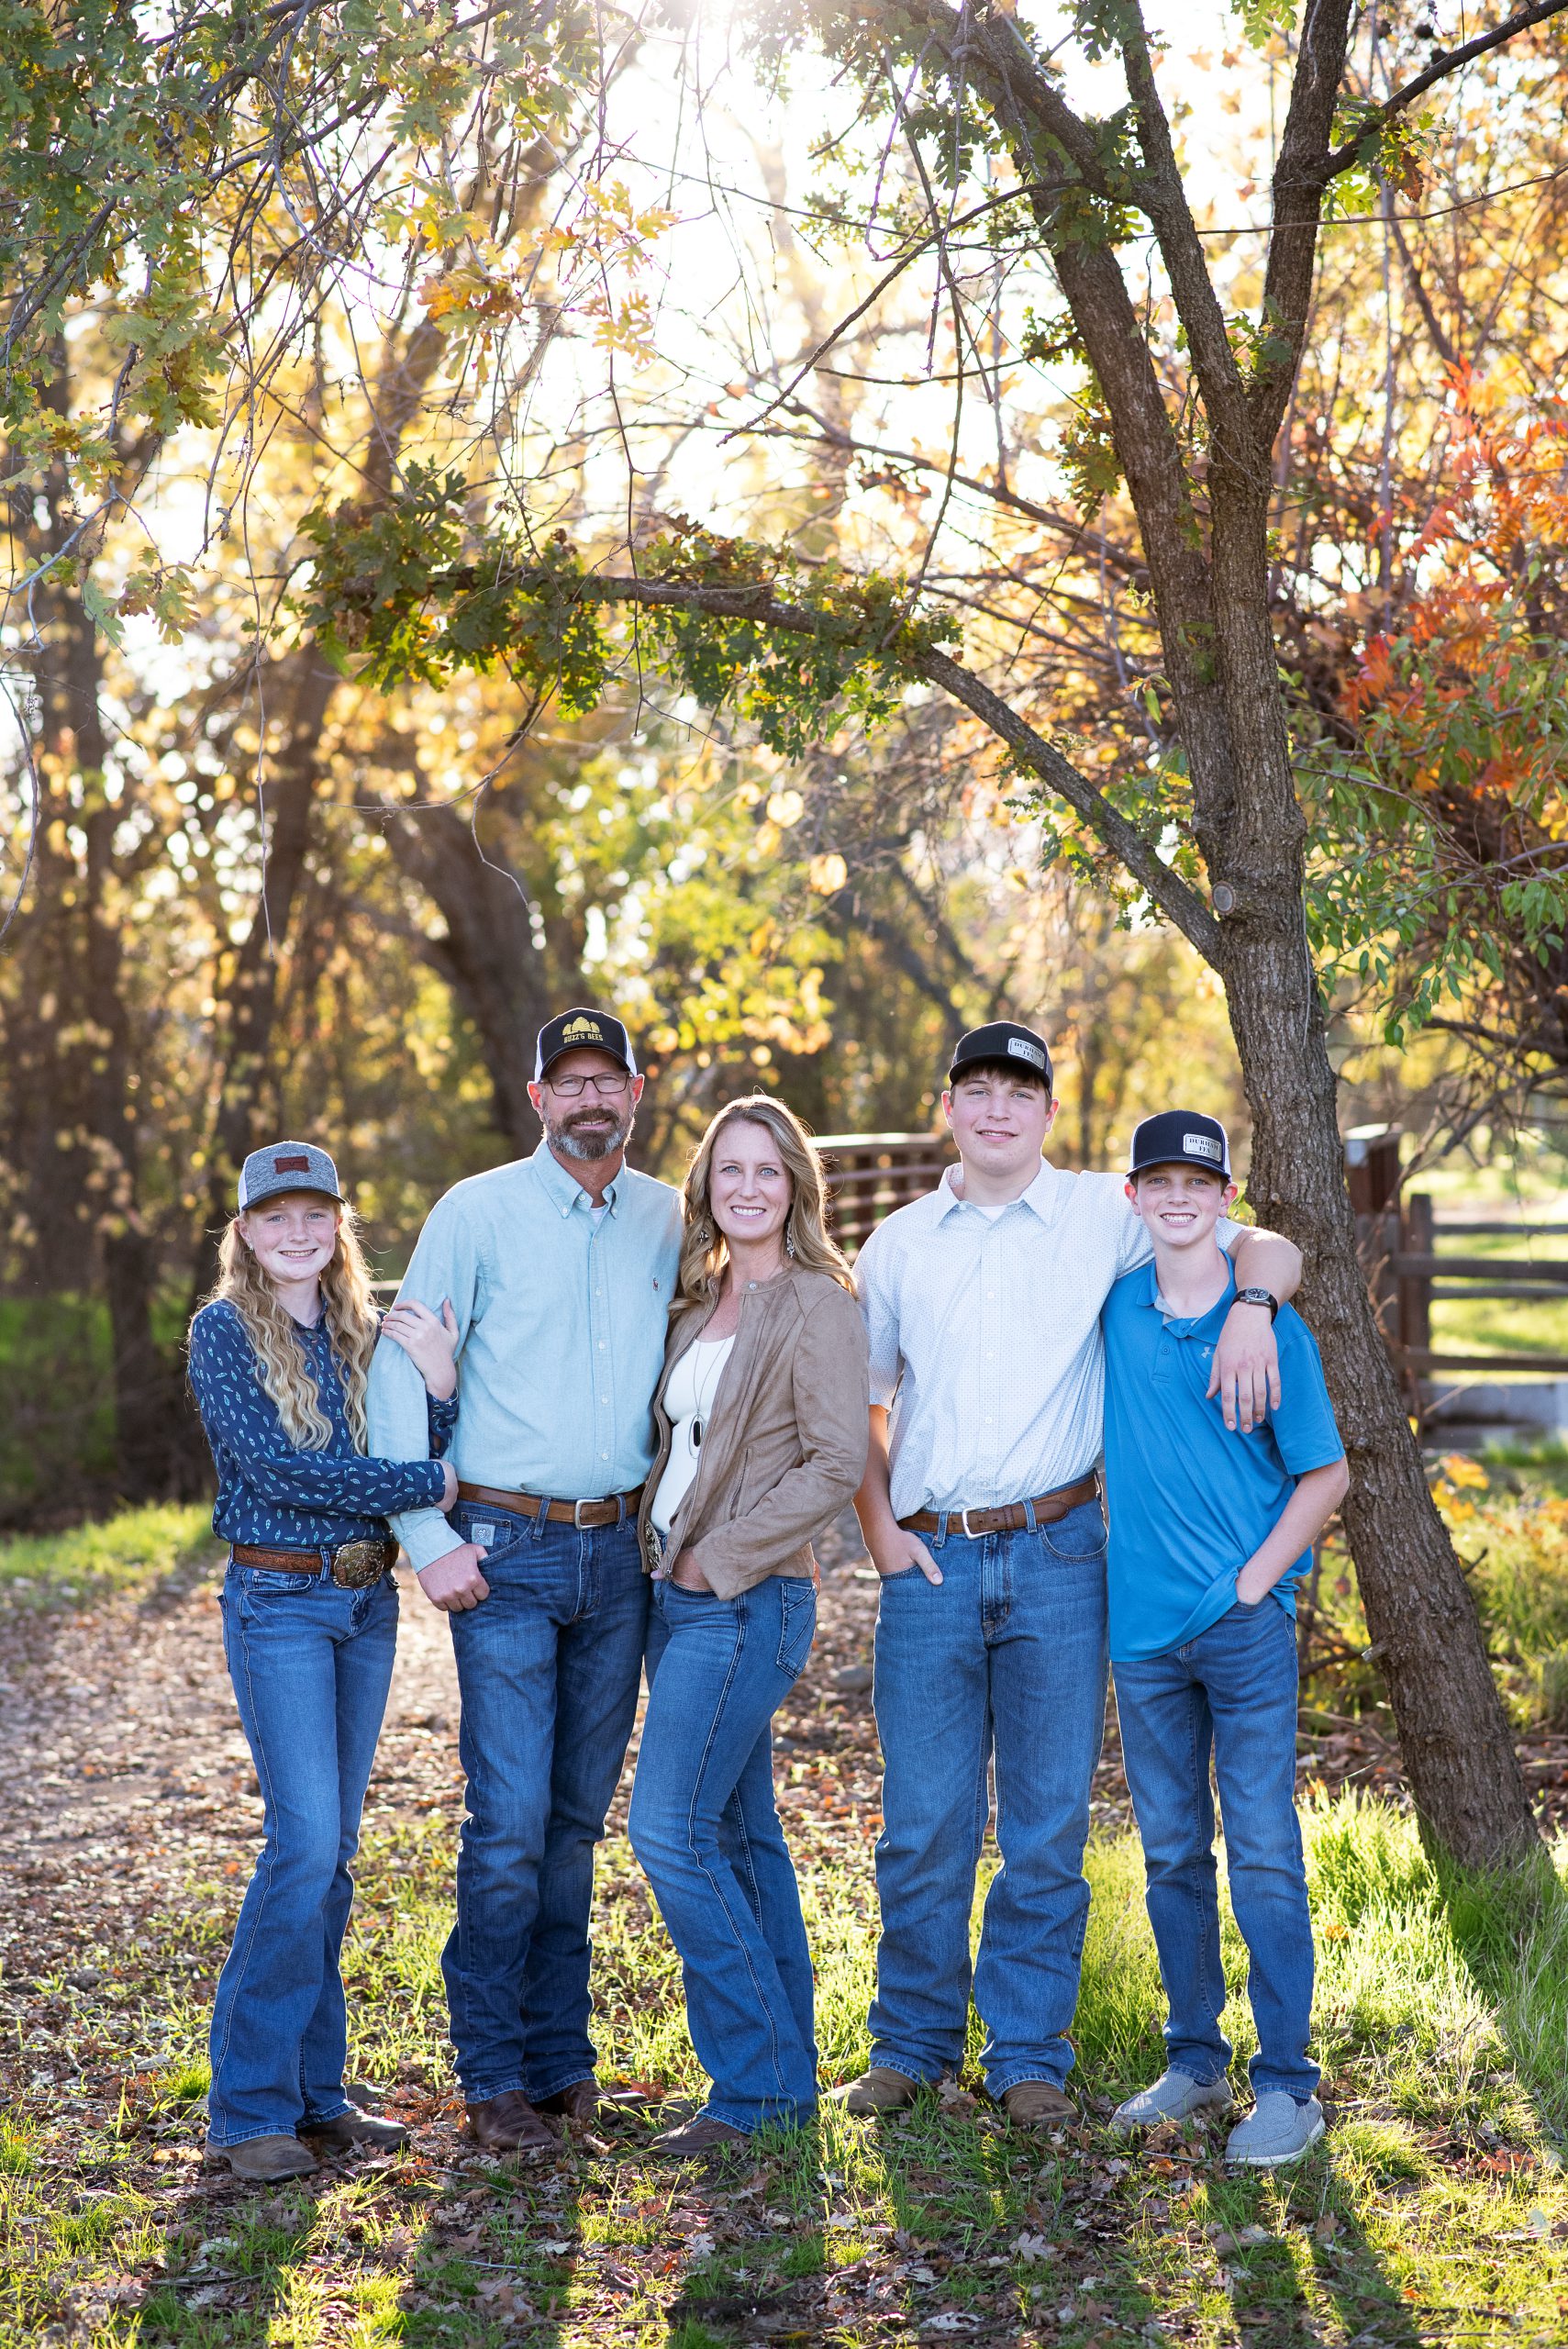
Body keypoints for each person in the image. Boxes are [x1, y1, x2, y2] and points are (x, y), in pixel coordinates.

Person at [840, 1022, 1305, 2128]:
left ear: (1050, 1113)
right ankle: (907, 2044)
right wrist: (879, 1533)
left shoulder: (1109, 1213)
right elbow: (862, 1402)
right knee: (922, 1821)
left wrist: (1252, 1308)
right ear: (944, 1107)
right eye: (976, 1089)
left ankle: (1027, 2057)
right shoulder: (898, 1243)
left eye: (1020, 1091)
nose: (996, 1108)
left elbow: (1269, 1246)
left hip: (1058, 1551)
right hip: (929, 1556)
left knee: (1045, 1826)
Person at [366, 1008, 682, 2153]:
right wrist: (422, 1531)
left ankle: (560, 2069)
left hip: (621, 1554)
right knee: (505, 1824)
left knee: (571, 1824)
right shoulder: (476, 1211)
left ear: (636, 1092)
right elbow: (398, 1366)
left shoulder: (666, 1217)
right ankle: (492, 2076)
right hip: (502, 1550)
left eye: (610, 1080)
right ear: (536, 1093)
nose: (591, 1100)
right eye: (570, 1081)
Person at [187, 1141, 462, 2183]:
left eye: (316, 1215)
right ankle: (247, 2108)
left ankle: (315, 2093)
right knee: (300, 1842)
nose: (297, 1233)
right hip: (280, 1602)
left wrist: (434, 1387)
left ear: (336, 1224)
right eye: (276, 1216)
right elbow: (278, 1471)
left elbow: (418, 1439)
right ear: (247, 1231)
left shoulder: (362, 1327)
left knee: (335, 1848)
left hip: (363, 1602)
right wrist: (428, 1473)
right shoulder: (222, 1331)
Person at [1103, 1112, 1348, 2165]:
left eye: (1195, 1184)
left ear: (1223, 1196)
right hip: (1140, 1636)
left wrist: (1256, 1580)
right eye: (1157, 1182)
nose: (1175, 1198)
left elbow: (1324, 1474)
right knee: (1167, 1854)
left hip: (1243, 1632)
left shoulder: (1270, 1326)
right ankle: (1194, 2060)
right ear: (1132, 1198)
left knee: (1259, 1851)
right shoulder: (1113, 1307)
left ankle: (1287, 2084)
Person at [628, 1097, 869, 2152]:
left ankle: (757, 2079)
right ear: (705, 1186)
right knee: (737, 1831)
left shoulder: (816, 1302)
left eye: (767, 1170)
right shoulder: (698, 1300)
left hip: (745, 1597)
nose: (747, 1187)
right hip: (667, 1600)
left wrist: (715, 1560)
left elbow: (835, 1463)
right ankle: (783, 2081)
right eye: (729, 1169)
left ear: (796, 1186)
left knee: (666, 1830)